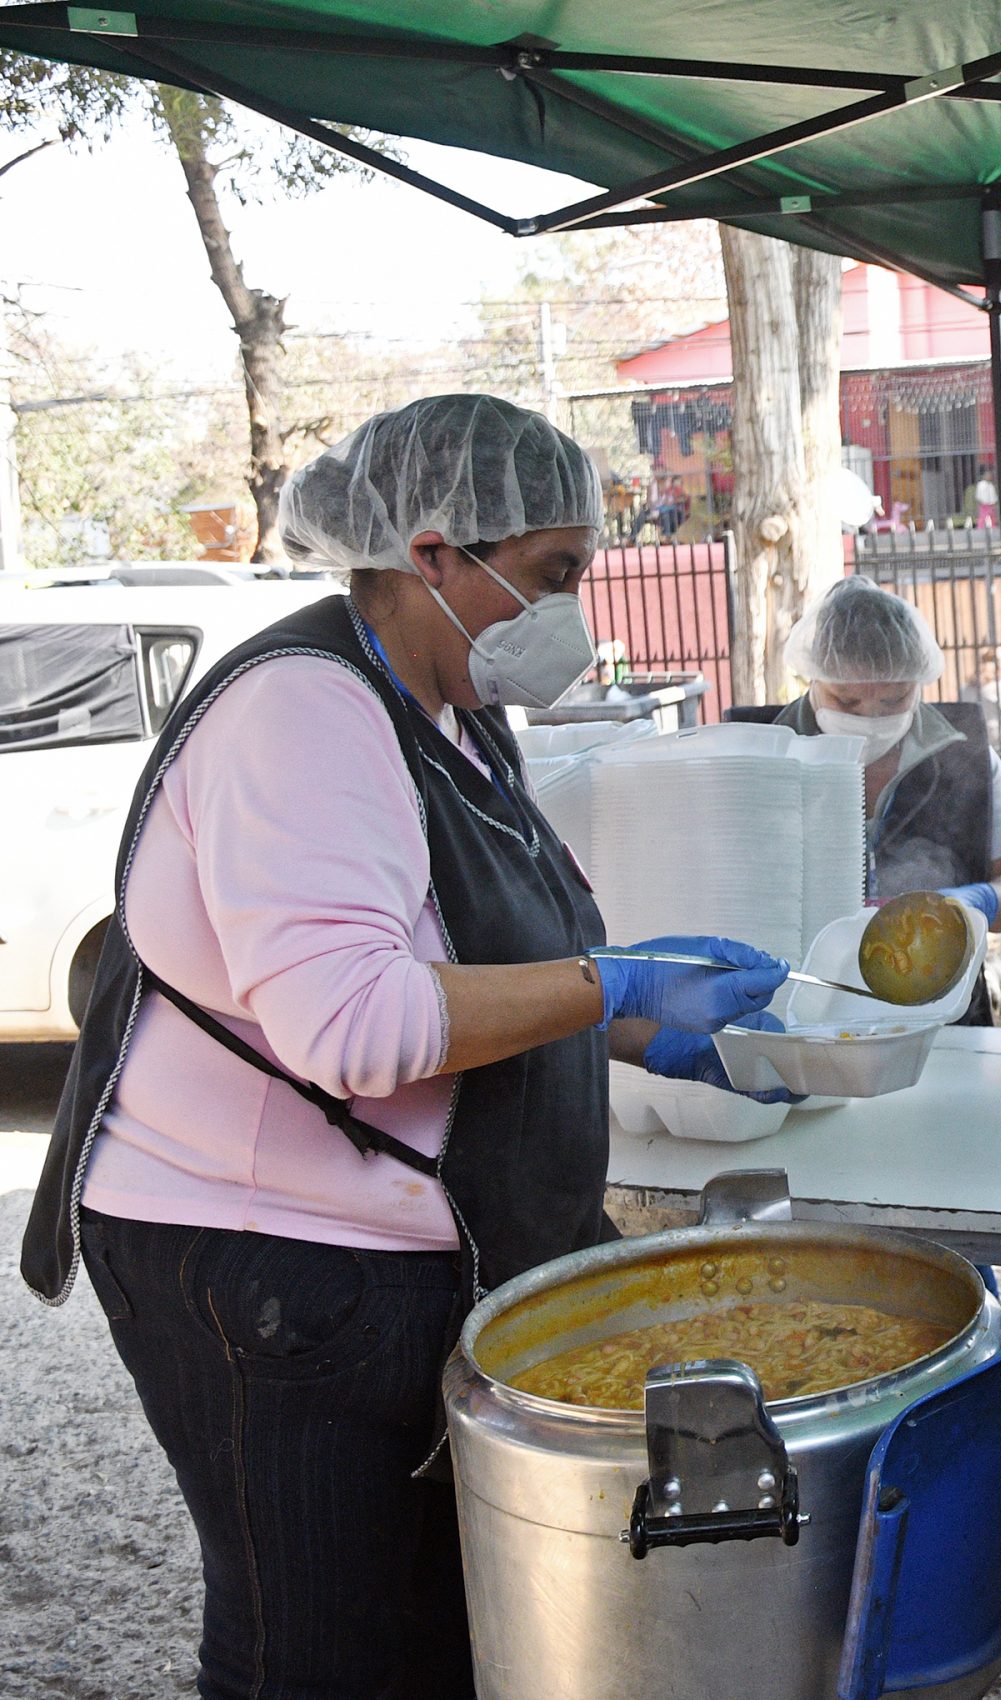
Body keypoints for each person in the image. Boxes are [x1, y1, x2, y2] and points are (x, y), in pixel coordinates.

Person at [17, 394, 792, 1699]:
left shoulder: (444, 706)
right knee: (318, 1649)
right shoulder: (302, 717)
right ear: (433, 552)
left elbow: (471, 955)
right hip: (267, 1265)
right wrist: (610, 988)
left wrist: (656, 1036)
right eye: (551, 576)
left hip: (402, 1244)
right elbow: (354, 1027)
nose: (572, 615)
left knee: (435, 1623)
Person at [744, 574, 1001, 1026]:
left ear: (919, 682)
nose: (871, 717)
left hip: (945, 1014)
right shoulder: (759, 756)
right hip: (802, 1011)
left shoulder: (966, 756)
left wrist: (976, 902)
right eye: (847, 700)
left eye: (894, 699)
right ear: (813, 679)